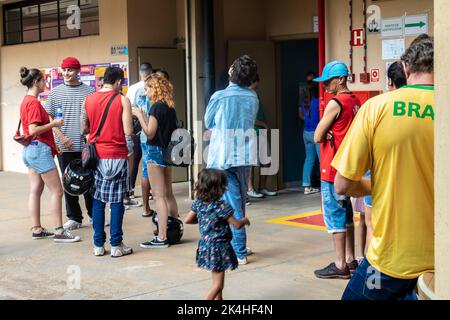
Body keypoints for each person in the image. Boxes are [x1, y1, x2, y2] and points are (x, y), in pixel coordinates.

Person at [333, 35, 434, 300]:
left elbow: (342, 184)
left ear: (406, 68)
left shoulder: (377, 108)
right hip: (441, 261)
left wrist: (374, 184)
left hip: (390, 261)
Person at [205, 55, 259, 265]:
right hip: (244, 154)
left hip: (223, 155)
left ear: (231, 73)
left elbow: (209, 122)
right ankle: (237, 244)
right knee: (238, 201)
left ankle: (239, 250)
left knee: (233, 203)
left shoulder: (219, 96)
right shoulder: (253, 96)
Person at [19, 67, 80, 243]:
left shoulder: (26, 101)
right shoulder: (34, 103)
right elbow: (33, 130)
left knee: (36, 190)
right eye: (43, 80)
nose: (45, 83)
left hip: (31, 150)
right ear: (36, 82)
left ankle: (37, 229)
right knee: (57, 191)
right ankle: (60, 231)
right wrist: (54, 123)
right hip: (39, 150)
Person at [312, 61, 361, 279]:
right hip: (347, 166)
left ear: (341, 79)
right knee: (347, 214)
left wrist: (327, 132)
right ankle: (350, 260)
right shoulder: (355, 101)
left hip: (331, 168)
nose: (325, 86)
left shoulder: (336, 102)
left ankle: (340, 264)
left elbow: (317, 135)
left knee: (334, 216)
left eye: (328, 81)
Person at [82, 66, 134, 257]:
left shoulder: (88, 99)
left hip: (96, 157)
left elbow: (84, 127)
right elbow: (128, 131)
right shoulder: (122, 100)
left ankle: (98, 245)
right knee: (117, 202)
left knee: (97, 201)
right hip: (117, 156)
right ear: (119, 82)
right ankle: (116, 245)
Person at [44, 57, 95, 230]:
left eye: (70, 70)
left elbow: (93, 117)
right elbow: (50, 117)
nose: (66, 73)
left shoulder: (89, 92)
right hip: (64, 145)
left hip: (85, 146)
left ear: (78, 71)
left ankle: (93, 215)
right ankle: (74, 218)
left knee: (89, 182)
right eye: (64, 69)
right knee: (68, 183)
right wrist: (62, 137)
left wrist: (88, 135)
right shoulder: (55, 92)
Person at [184, 169, 250, 300]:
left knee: (217, 281)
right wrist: (244, 221)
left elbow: (187, 220)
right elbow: (236, 225)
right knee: (218, 285)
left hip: (205, 246)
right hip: (219, 248)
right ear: (219, 189)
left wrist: (205, 219)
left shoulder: (198, 203)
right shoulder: (221, 206)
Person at [362, 61, 407, 251]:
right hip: (407, 178)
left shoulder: (377, 106)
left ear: (390, 82)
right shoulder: (426, 104)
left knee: (372, 226)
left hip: (378, 175)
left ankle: (371, 272)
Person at [132, 73, 179, 248]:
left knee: (158, 196)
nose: (145, 92)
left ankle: (162, 236)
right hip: (167, 152)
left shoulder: (156, 107)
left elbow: (149, 132)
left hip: (154, 152)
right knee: (168, 193)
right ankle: (175, 229)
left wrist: (138, 115)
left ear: (155, 89)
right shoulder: (169, 107)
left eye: (147, 88)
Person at [125, 63, 156, 215]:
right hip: (151, 132)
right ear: (151, 72)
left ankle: (130, 190)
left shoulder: (132, 88)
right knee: (150, 166)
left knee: (137, 162)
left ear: (140, 72)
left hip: (138, 132)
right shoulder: (154, 87)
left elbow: (129, 110)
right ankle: (152, 195)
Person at [247, 74, 277, 200]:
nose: (257, 85)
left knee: (266, 161)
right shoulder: (247, 96)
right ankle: (250, 189)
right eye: (256, 83)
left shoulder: (255, 94)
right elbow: (249, 117)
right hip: (253, 132)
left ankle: (262, 187)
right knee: (251, 163)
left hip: (261, 132)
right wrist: (263, 124)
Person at [299, 80, 321, 195]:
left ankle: (307, 186)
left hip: (306, 133)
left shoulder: (305, 102)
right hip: (316, 132)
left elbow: (302, 116)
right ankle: (326, 184)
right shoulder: (318, 102)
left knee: (309, 159)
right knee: (322, 160)